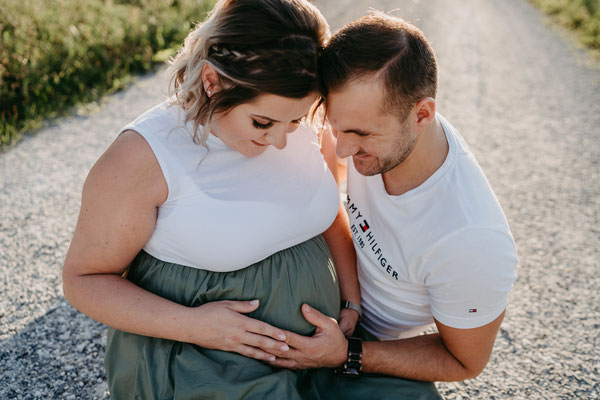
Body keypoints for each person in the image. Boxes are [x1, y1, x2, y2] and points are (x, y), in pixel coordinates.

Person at [62, 1, 367, 398]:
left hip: (321, 355)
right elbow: (83, 281)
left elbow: (326, 211)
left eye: (294, 121)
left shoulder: (301, 118)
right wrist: (195, 325)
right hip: (203, 361)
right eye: (262, 123)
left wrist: (351, 300)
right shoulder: (143, 156)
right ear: (212, 81)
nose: (279, 141)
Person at [269, 12, 519, 392]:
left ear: (422, 114)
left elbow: (464, 360)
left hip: (373, 342)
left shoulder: (471, 239)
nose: (343, 149)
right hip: (325, 285)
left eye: (360, 134)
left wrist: (348, 354)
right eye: (335, 127)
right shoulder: (370, 122)